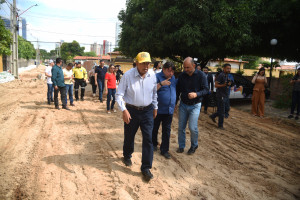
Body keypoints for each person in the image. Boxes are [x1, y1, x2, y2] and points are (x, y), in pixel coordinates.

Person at [116, 52, 158, 181]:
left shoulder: (152, 75)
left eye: (148, 63)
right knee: (129, 135)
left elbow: (154, 93)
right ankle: (127, 155)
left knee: (148, 139)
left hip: (147, 111)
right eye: (143, 63)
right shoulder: (128, 76)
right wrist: (124, 110)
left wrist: (155, 106)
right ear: (137, 63)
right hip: (131, 111)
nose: (146, 66)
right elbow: (119, 95)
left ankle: (146, 167)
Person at [176, 57, 208, 155]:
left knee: (192, 127)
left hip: (195, 105)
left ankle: (194, 145)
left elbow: (206, 90)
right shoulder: (182, 76)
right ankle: (181, 146)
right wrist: (174, 103)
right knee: (181, 127)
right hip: (183, 105)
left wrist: (196, 94)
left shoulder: (201, 75)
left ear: (194, 65)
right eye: (184, 68)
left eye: (188, 67)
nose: (186, 70)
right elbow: (177, 91)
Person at [152, 62, 177, 159]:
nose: (171, 73)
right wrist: (161, 84)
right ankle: (153, 144)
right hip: (157, 109)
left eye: (172, 71)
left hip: (169, 110)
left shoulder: (173, 78)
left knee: (167, 130)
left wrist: (174, 103)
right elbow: (151, 90)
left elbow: (174, 91)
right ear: (164, 69)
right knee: (154, 128)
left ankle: (164, 150)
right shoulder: (156, 77)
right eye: (169, 71)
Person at [209, 64, 232, 129]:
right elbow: (216, 85)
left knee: (227, 108)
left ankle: (213, 116)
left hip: (226, 95)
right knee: (222, 111)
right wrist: (224, 85)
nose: (229, 70)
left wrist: (229, 84)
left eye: (230, 68)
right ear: (224, 68)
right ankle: (220, 125)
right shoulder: (221, 75)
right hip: (221, 95)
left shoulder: (227, 75)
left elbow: (226, 84)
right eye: (227, 68)